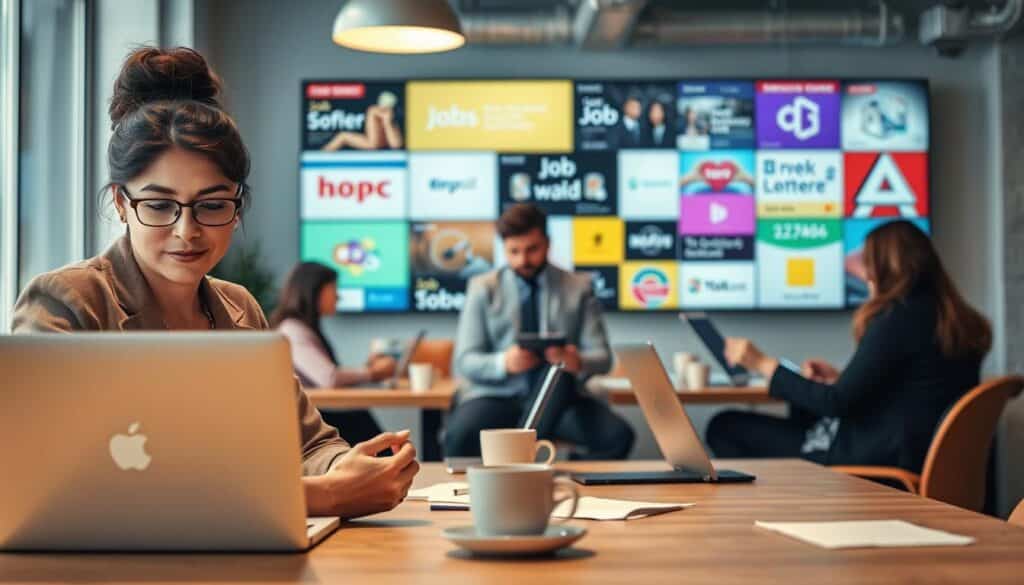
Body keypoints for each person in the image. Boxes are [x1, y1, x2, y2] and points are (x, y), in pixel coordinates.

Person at [11, 46, 417, 519]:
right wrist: (323, 495)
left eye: (211, 204)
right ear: (122, 203)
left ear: (237, 205)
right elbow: (43, 477)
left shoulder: (240, 308)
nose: (188, 231)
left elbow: (307, 445)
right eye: (160, 205)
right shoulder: (68, 302)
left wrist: (350, 466)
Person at [707, 220, 992, 473]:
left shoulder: (896, 318)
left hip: (869, 460)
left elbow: (837, 403)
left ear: (882, 268)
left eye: (868, 264)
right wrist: (840, 379)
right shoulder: (957, 320)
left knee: (724, 426)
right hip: (910, 454)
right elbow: (910, 391)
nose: (864, 275)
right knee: (797, 412)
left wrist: (761, 363)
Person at [444, 203, 634, 459]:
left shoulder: (578, 287)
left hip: (563, 399)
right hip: (497, 396)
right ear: (504, 248)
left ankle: (549, 474)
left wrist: (576, 361)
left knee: (617, 435)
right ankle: (521, 457)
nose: (523, 260)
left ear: (547, 243)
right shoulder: (482, 287)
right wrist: (504, 363)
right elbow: (465, 361)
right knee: (458, 435)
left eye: (532, 249)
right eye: (514, 251)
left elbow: (603, 359)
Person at [270, 261, 397, 445]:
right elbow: (329, 378)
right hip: (316, 420)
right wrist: (373, 373)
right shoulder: (292, 330)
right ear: (314, 290)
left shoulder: (304, 328)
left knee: (364, 420)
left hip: (320, 414)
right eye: (334, 289)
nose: (338, 296)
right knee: (366, 427)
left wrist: (367, 370)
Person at [321, 91, 403, 151]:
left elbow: (395, 146)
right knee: (342, 136)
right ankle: (318, 158)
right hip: (373, 143)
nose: (384, 111)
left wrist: (387, 122)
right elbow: (373, 144)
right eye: (382, 109)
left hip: (380, 146)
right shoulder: (374, 111)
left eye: (386, 109)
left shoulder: (393, 118)